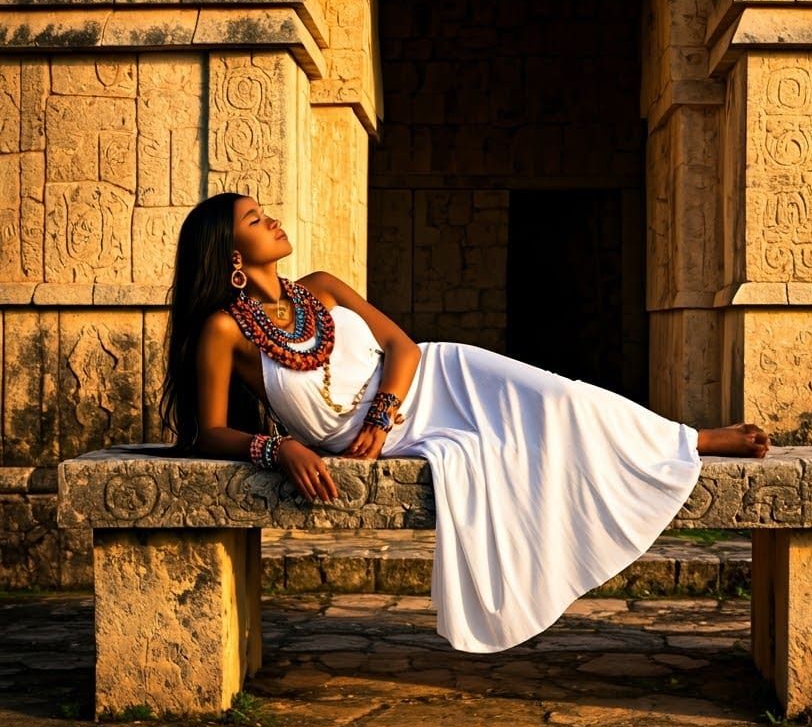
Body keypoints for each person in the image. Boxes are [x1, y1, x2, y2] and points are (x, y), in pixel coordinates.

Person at [161, 192, 771, 654]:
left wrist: (380, 412)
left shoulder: (321, 287)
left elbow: (402, 347)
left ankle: (690, 438)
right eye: (253, 219)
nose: (271, 220)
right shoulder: (223, 331)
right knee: (518, 441)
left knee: (563, 400)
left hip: (435, 380)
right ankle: (680, 440)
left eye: (265, 211)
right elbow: (209, 433)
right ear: (232, 255)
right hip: (384, 435)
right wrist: (281, 447)